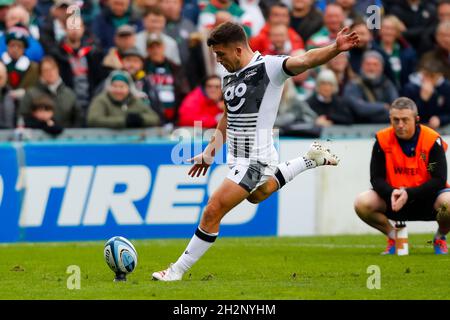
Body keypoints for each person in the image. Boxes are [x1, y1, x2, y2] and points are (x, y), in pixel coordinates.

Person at [151, 21, 359, 281]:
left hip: (256, 159)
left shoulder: (269, 68)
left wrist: (335, 48)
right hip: (239, 157)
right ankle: (309, 160)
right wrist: (210, 152)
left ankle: (176, 271)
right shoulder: (229, 77)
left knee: (213, 209)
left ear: (238, 50)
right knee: (256, 195)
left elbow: (305, 60)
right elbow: (227, 116)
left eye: (221, 54)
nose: (218, 61)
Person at [354, 97, 450, 255]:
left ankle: (440, 237)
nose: (400, 125)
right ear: (390, 119)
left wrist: (409, 193)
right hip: (394, 198)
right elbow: (376, 178)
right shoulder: (383, 141)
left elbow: (438, 179)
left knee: (448, 204)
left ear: (417, 119)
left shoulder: (431, 141)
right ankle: (394, 237)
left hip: (428, 198)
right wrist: (392, 192)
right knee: (362, 202)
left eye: (405, 120)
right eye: (395, 120)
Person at [87, 70, 160, 128]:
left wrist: (140, 119)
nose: (118, 90)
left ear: (129, 88)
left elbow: (155, 118)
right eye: (114, 86)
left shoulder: (135, 101)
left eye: (122, 87)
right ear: (109, 87)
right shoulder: (101, 100)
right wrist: (124, 121)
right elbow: (93, 120)